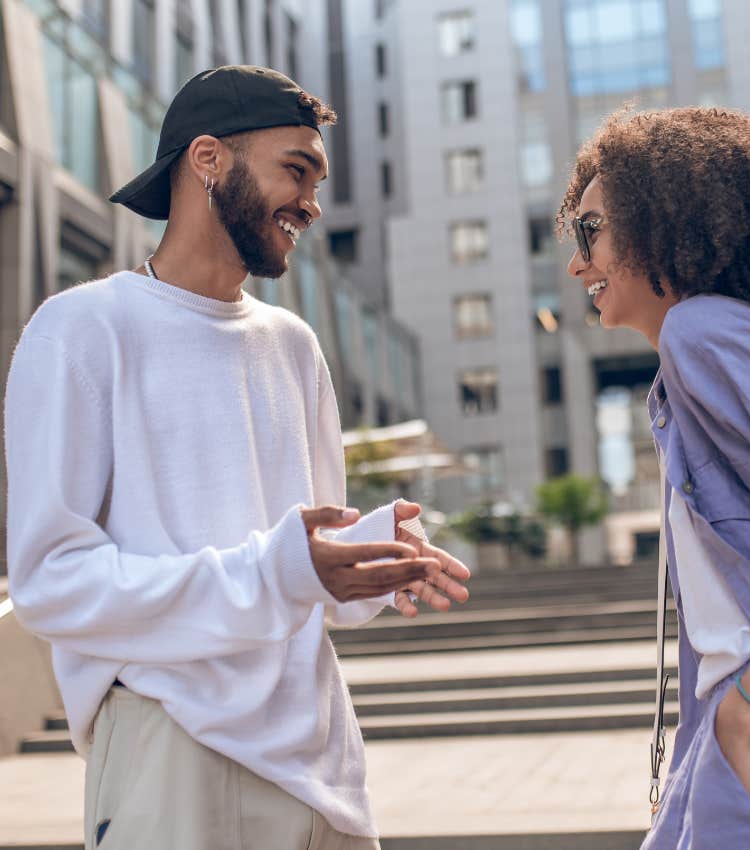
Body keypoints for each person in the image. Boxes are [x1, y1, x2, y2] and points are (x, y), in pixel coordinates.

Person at [4, 66, 470, 850]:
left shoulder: (294, 345)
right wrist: (279, 571)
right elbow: (50, 584)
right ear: (208, 159)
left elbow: (299, 577)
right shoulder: (83, 330)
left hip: (320, 762)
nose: (312, 205)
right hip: (172, 748)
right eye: (296, 169)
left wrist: (366, 561)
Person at [561, 107, 750, 848]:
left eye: (589, 231)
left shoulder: (705, 332)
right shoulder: (699, 358)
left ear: (663, 224)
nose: (577, 264)